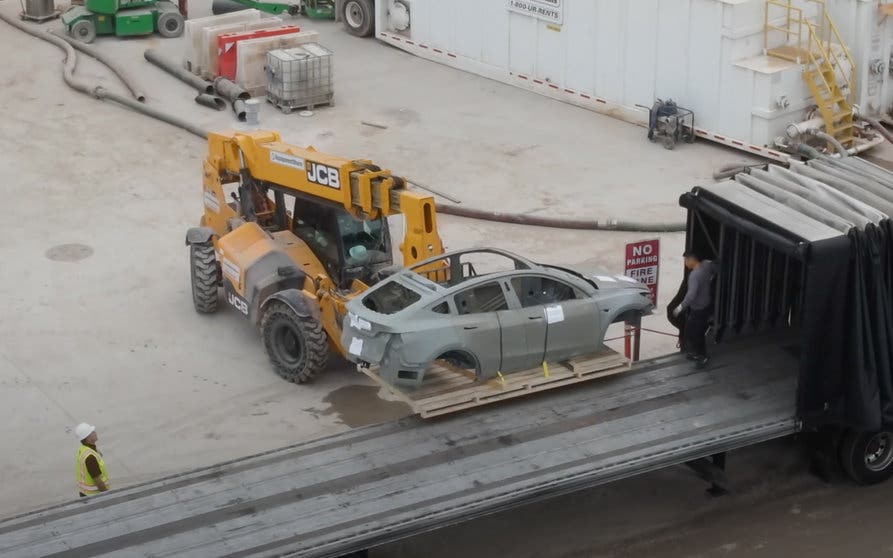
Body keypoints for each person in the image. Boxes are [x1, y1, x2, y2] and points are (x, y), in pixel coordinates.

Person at [672, 251, 717, 368]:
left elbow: (691, 295)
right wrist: (711, 277)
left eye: (686, 260)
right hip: (705, 305)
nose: (686, 263)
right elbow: (714, 265)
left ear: (692, 260)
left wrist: (679, 308)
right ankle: (695, 353)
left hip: (698, 309)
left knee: (696, 334)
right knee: (691, 331)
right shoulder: (706, 265)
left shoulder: (694, 275)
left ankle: (702, 357)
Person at [75, 422, 110, 497]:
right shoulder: (90, 457)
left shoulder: (83, 449)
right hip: (93, 496)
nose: (95, 433)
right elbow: (97, 480)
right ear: (88, 438)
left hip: (84, 493)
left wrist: (95, 449)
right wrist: (107, 495)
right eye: (92, 432)